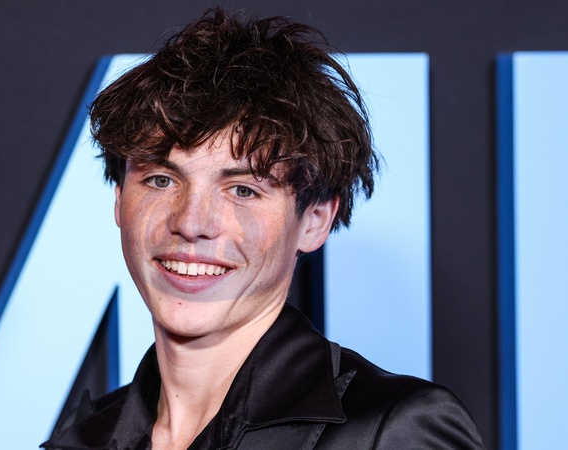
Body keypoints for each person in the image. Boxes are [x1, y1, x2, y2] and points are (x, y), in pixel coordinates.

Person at [42, 7, 484, 450]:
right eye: (161, 180)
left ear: (315, 221)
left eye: (243, 190)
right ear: (119, 199)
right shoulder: (79, 442)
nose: (191, 223)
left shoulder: (392, 430)